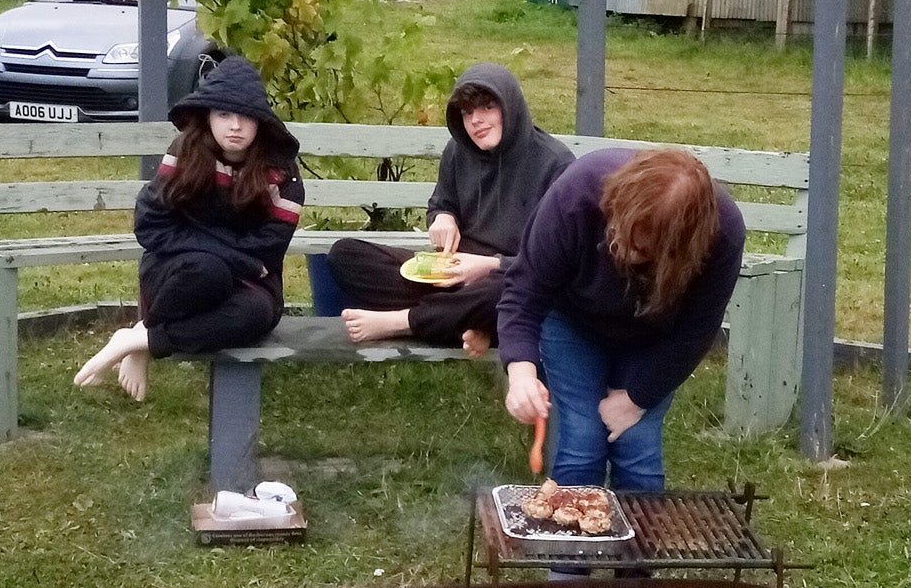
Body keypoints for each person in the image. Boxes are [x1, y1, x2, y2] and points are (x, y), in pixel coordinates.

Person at [495, 147, 745, 491]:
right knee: (582, 439)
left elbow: (695, 332)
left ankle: (640, 543)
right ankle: (572, 544)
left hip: (656, 337)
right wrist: (520, 371)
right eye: (616, 233)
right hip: (572, 320)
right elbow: (525, 288)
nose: (622, 251)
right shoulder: (578, 192)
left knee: (637, 445)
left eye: (640, 251)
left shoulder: (723, 233)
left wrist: (637, 398)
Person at [73, 55, 302, 401]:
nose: (235, 126)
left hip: (251, 282)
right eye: (224, 114)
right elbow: (150, 225)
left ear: (260, 122)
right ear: (208, 115)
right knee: (206, 270)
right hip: (179, 271)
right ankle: (148, 333)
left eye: (245, 116)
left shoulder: (282, 173)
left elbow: (265, 252)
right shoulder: (186, 152)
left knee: (255, 316)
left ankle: (141, 339)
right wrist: (222, 251)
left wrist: (206, 243)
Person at [328, 64, 572, 354]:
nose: (476, 121)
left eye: (487, 108)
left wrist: (488, 265)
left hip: (506, 276)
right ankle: (475, 326)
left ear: (511, 106)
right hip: (451, 273)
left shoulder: (555, 164)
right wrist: (444, 217)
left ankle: (404, 322)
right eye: (468, 113)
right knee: (345, 255)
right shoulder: (458, 151)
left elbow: (556, 263)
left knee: (504, 293)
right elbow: (441, 203)